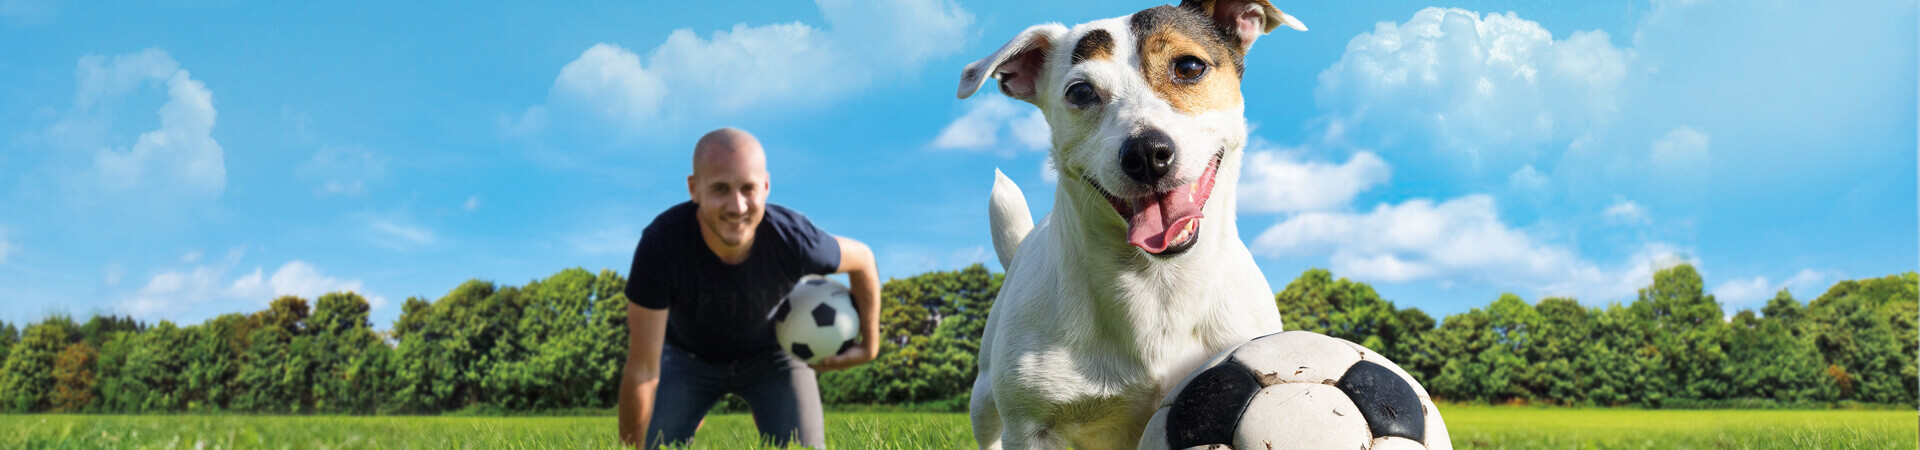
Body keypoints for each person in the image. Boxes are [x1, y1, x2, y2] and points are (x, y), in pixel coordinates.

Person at [617, 128, 881, 449]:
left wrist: (870, 344)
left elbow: (863, 259)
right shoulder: (661, 246)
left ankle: (768, 406)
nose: (738, 206)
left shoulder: (793, 239)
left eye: (748, 188)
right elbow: (642, 369)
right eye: (720, 189)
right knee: (657, 444)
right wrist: (630, 447)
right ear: (694, 189)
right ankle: (693, 409)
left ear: (766, 186)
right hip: (688, 359)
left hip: (775, 357)